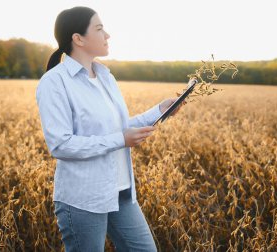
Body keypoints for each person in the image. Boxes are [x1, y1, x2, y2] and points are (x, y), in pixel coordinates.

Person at [36, 6, 183, 252]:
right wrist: (119, 140)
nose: (108, 35)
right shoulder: (54, 82)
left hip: (122, 193)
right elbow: (61, 145)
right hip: (83, 199)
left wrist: (159, 110)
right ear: (78, 38)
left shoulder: (105, 76)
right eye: (100, 29)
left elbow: (119, 128)